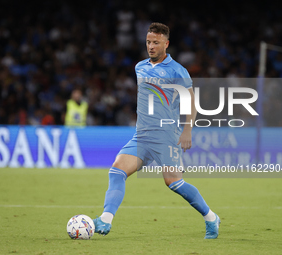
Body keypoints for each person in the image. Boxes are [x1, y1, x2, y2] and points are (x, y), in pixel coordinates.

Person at [93, 23, 220, 239]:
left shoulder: (177, 71)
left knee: (174, 183)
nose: (151, 46)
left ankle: (211, 217)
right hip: (141, 135)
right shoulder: (139, 67)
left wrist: (187, 130)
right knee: (116, 171)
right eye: (148, 42)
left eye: (156, 43)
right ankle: (106, 219)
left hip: (166, 136)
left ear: (166, 44)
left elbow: (191, 102)